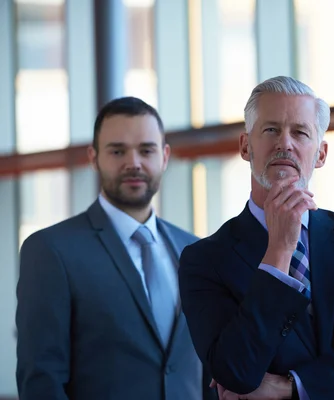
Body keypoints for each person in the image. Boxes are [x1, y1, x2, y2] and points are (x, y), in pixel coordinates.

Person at [178, 76, 334, 400]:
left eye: (300, 132)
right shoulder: (204, 260)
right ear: (245, 146)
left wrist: (292, 385)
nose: (285, 143)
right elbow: (236, 372)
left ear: (320, 154)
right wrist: (279, 251)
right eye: (270, 130)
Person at [16, 97, 216, 400]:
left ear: (164, 157)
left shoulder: (195, 250)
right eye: (117, 151)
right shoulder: (51, 251)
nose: (133, 162)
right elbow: (41, 380)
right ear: (93, 158)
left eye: (146, 150)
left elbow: (208, 367)